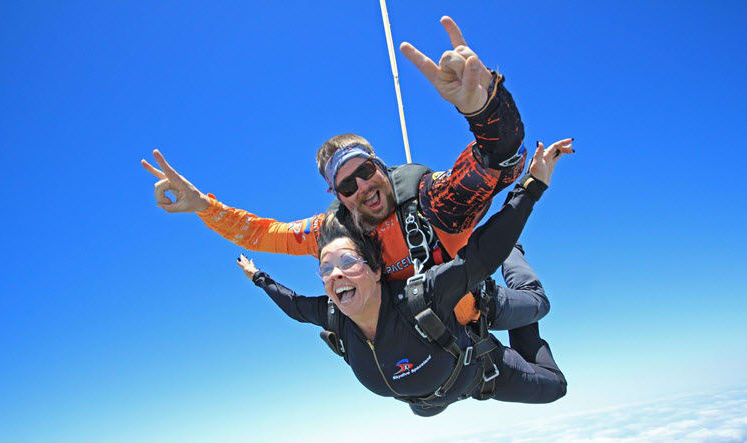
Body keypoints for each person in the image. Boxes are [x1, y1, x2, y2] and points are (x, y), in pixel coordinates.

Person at [141, 16, 575, 323]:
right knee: (425, 403)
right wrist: (202, 205)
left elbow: (498, 162)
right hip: (427, 337)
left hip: (479, 308)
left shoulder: (432, 202)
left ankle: (515, 260)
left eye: (366, 170)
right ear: (337, 195)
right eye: (347, 183)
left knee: (537, 311)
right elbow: (257, 233)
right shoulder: (332, 234)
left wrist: (485, 108)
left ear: (381, 167)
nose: (363, 186)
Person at [235, 141, 569, 416]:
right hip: (440, 391)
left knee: (540, 317)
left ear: (375, 269)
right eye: (325, 269)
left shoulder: (420, 297)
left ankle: (516, 257)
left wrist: (531, 186)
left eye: (348, 262)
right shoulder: (336, 316)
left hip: (478, 361)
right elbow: (294, 306)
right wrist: (257, 277)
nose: (335, 273)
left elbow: (481, 255)